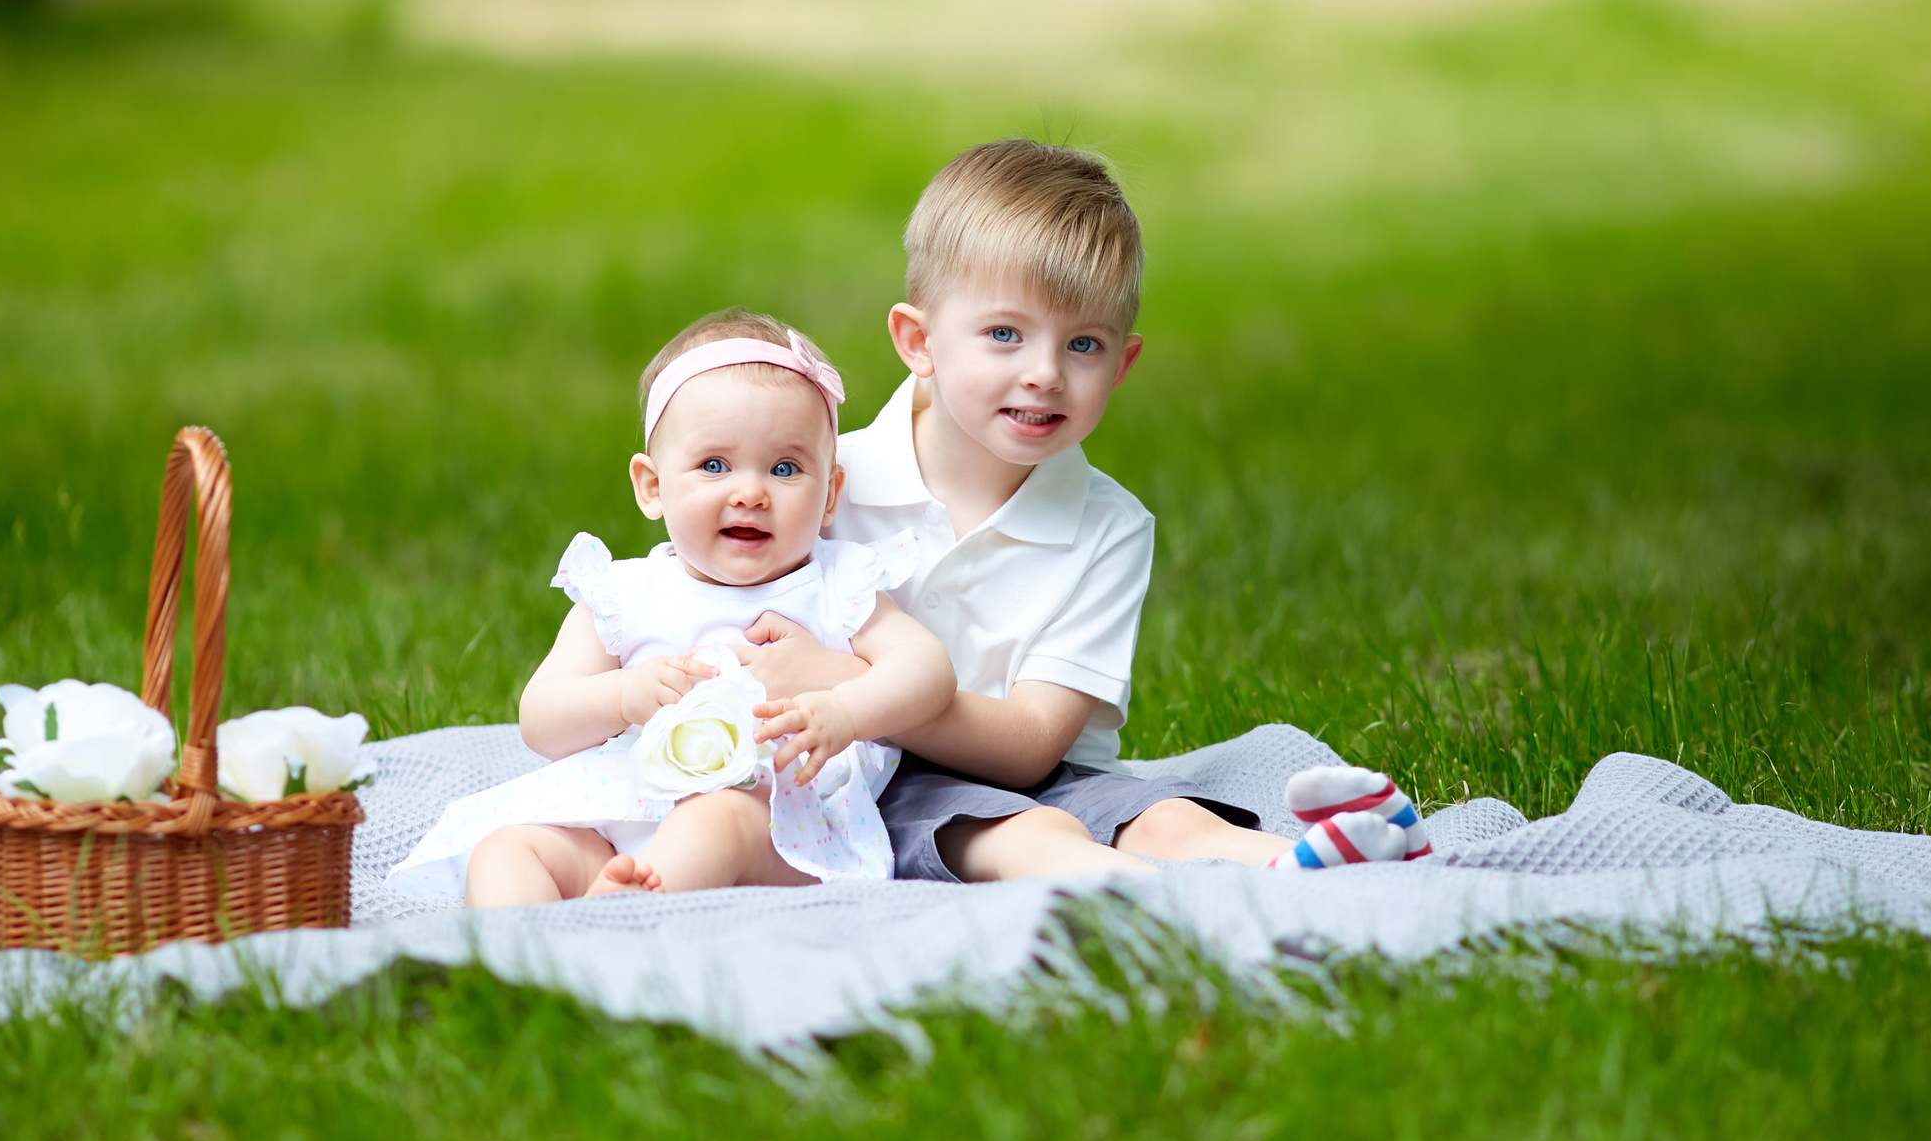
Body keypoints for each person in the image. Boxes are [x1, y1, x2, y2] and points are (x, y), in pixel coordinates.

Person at [735, 140, 1431, 882]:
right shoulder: (825, 481)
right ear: (918, 340)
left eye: (1083, 344)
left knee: (1157, 812)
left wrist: (845, 684)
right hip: (867, 771)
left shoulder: (1108, 527)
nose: (1044, 374)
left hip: (1042, 770)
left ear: (1121, 364)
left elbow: (1035, 744)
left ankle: (1320, 859)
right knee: (997, 832)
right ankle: (1127, 886)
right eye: (1005, 333)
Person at [389, 312, 955, 907]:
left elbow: (928, 671)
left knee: (715, 821)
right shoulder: (623, 594)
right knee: (508, 848)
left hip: (778, 826)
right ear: (652, 486)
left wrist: (846, 710)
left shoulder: (840, 585)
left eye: (784, 468)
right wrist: (622, 696)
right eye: (714, 465)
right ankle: (522, 962)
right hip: (623, 807)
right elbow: (541, 718)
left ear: (831, 492)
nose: (750, 492)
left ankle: (622, 921)